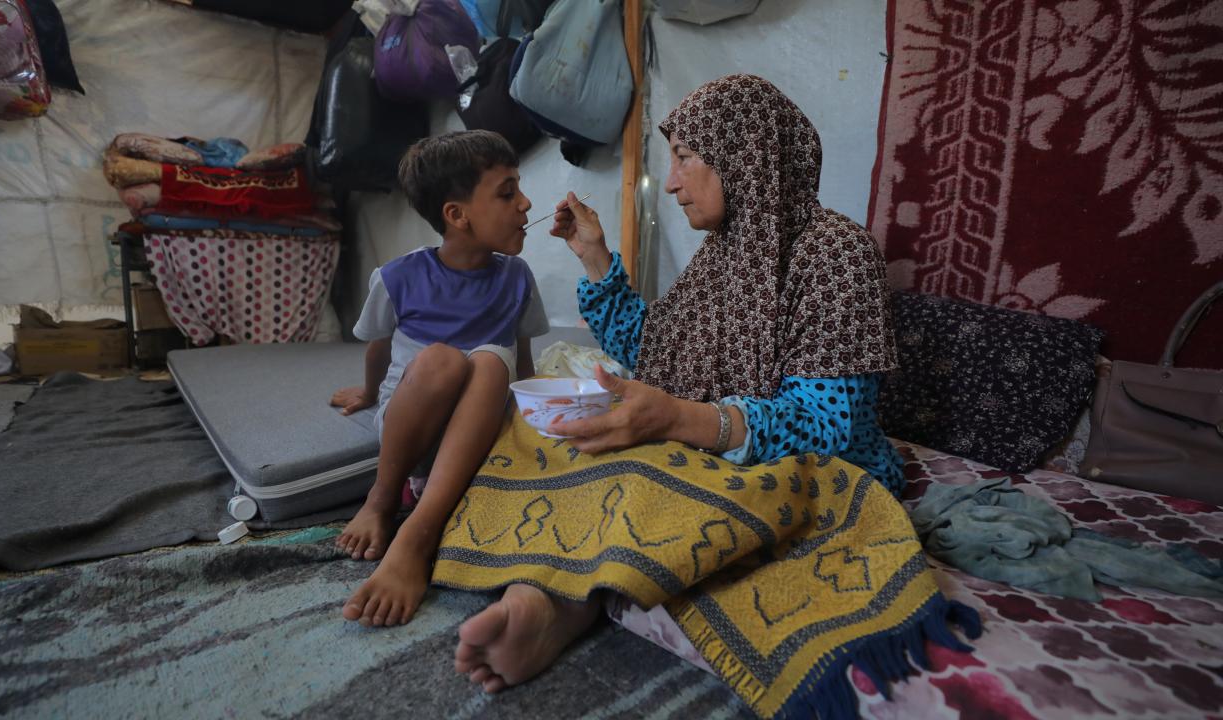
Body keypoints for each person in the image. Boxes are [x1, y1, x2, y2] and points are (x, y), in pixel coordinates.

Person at [451, 74, 908, 693]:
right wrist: (594, 257)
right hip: (710, 443)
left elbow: (829, 426)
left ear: (744, 155)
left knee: (661, 469)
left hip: (815, 469)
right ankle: (555, 590)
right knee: (552, 434)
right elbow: (656, 352)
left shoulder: (835, 254)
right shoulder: (723, 255)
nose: (670, 183)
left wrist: (678, 420)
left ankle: (561, 600)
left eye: (685, 157)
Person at [330, 130, 549, 628]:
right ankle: (383, 497)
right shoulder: (397, 277)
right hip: (413, 431)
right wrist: (369, 393)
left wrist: (540, 422)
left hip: (480, 432)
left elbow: (523, 362)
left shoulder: (517, 277)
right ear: (457, 215)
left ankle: (417, 534)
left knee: (491, 362)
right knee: (441, 361)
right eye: (508, 192)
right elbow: (380, 347)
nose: (525, 203)